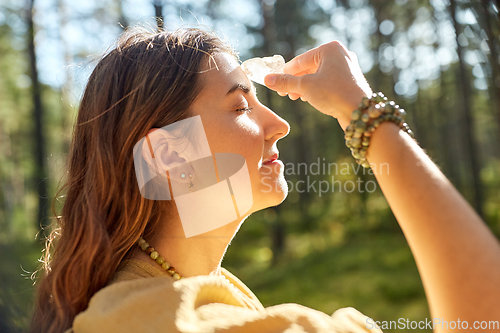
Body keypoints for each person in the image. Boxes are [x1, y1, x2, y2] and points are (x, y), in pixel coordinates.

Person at [28, 25, 500, 333]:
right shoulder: (174, 320)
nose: (280, 124)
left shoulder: (150, 301)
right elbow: (485, 316)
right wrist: (363, 115)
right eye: (240, 106)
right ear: (169, 155)